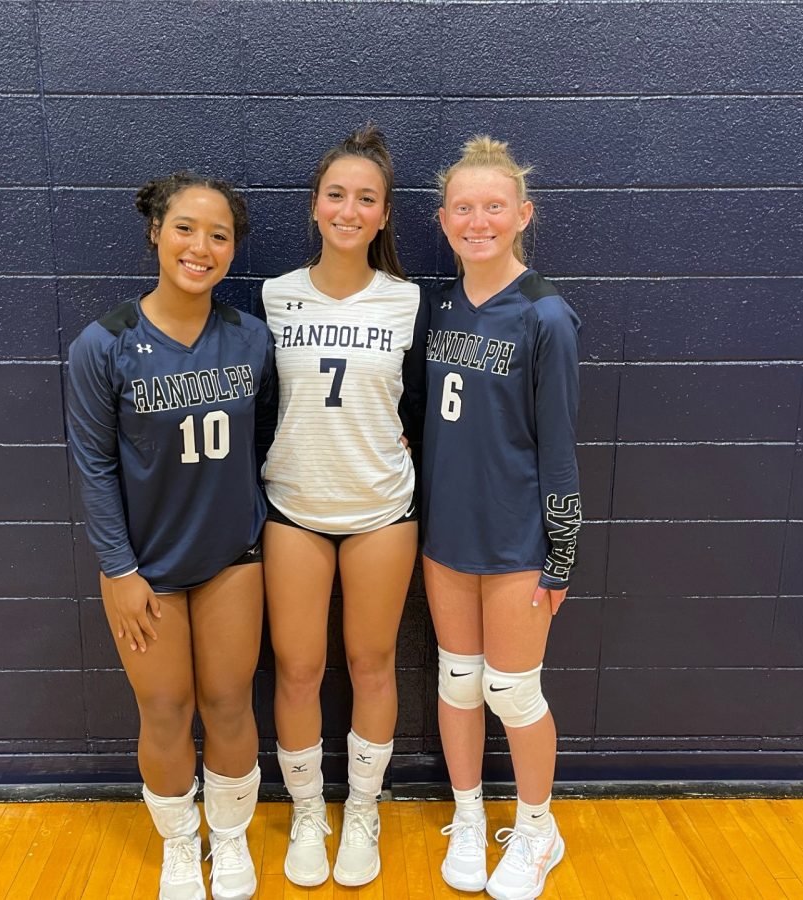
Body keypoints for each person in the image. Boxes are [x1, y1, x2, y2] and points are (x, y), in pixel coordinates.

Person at [65, 172, 275, 900]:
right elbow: (92, 465)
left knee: (227, 704)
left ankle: (231, 839)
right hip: (143, 568)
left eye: (219, 235)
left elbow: (273, 438)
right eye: (186, 228)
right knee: (164, 709)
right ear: (156, 231)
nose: (201, 246)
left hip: (230, 559)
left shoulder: (252, 339)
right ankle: (181, 845)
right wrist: (118, 569)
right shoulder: (104, 344)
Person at [260, 125, 426, 887]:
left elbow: (417, 405)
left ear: (385, 214)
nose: (349, 208)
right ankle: (306, 809)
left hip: (380, 507)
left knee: (371, 661)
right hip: (293, 502)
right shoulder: (275, 294)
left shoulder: (408, 299)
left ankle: (362, 805)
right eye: (337, 194)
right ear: (314, 207)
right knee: (297, 667)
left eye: (366, 198)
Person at [422, 136, 582, 900]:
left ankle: (538, 827)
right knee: (458, 684)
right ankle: (467, 811)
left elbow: (559, 443)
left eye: (494, 206)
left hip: (517, 539)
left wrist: (562, 550)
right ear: (443, 218)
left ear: (522, 214)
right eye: (463, 207)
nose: (478, 220)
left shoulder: (546, 314)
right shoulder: (442, 304)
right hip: (445, 537)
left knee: (513, 692)